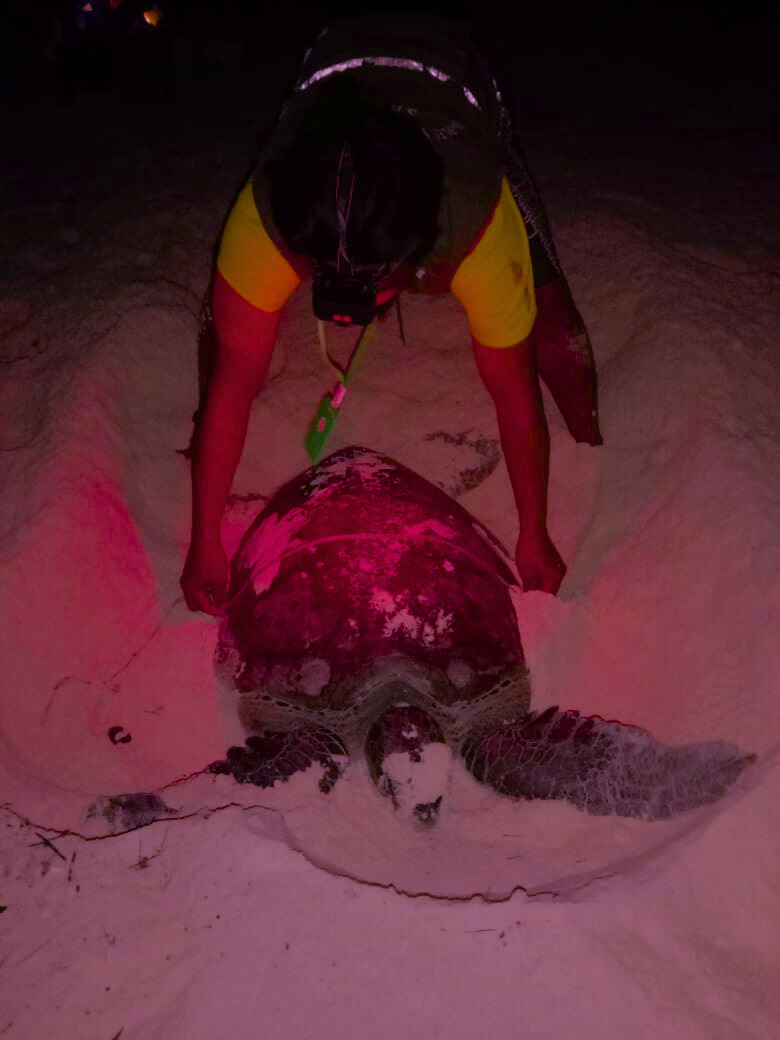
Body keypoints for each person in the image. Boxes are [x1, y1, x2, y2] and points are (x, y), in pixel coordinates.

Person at [181, 15, 602, 616]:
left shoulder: (472, 216)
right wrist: (205, 544)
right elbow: (232, 383)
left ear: (420, 258)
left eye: (374, 288)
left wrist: (532, 532)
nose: (350, 308)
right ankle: (195, 456)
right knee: (226, 339)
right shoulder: (270, 216)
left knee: (546, 308)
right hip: (333, 60)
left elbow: (513, 396)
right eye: (328, 281)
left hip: (454, 75)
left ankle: (590, 439)